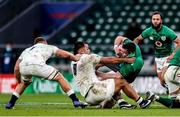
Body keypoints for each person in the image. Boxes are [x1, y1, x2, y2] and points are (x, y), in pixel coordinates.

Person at [5, 37, 87, 109]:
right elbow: (65, 55)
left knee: (24, 83)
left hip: (23, 67)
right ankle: (75, 101)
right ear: (45, 42)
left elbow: (16, 67)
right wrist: (75, 58)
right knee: (59, 77)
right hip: (38, 65)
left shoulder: (26, 50)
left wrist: (18, 79)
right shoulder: (48, 47)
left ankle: (10, 103)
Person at [71, 41, 152, 109]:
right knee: (122, 82)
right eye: (87, 48)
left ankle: (121, 103)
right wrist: (127, 60)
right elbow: (111, 60)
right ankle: (141, 102)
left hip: (88, 97)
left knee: (112, 81)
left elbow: (96, 72)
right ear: (81, 51)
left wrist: (112, 75)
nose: (89, 50)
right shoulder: (86, 57)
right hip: (95, 92)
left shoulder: (74, 62)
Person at [134, 11, 180, 88]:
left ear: (161, 21)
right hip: (158, 58)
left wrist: (173, 54)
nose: (155, 21)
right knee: (162, 82)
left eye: (157, 19)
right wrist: (131, 49)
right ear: (151, 20)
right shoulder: (148, 31)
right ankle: (173, 95)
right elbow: (137, 39)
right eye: (153, 19)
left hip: (168, 57)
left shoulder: (167, 31)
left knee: (163, 77)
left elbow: (179, 42)